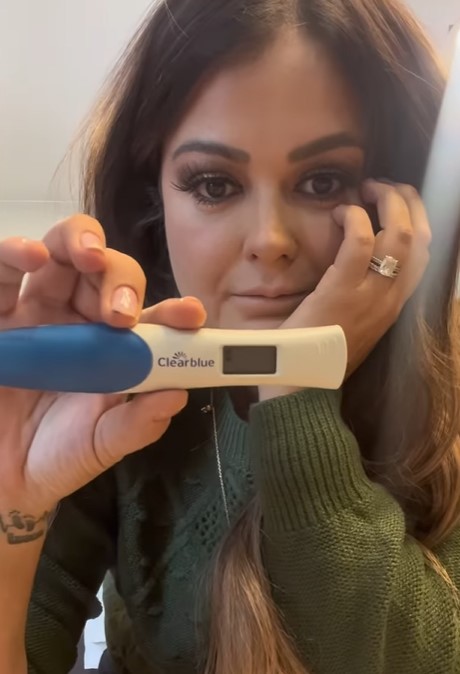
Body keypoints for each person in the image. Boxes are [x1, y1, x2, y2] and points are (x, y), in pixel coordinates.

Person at [1, 0, 460, 672]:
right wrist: (13, 494)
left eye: (322, 181)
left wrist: (298, 390)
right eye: (215, 184)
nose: (269, 241)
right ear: (153, 202)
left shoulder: (447, 404)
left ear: (404, 210)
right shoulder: (110, 402)